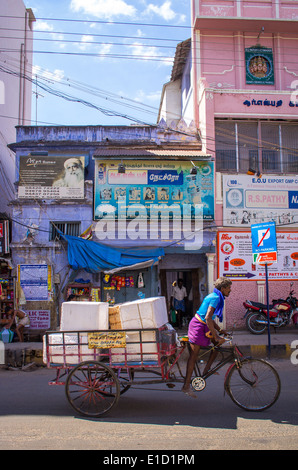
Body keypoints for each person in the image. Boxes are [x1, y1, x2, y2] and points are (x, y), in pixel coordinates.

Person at [182, 277, 232, 398]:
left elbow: (210, 318)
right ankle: (186, 386)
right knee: (194, 356)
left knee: (217, 344)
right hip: (197, 326)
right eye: (229, 288)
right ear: (223, 288)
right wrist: (216, 335)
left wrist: (220, 331)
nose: (230, 290)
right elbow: (208, 318)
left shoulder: (216, 296)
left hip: (203, 325)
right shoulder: (215, 298)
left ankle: (206, 370)